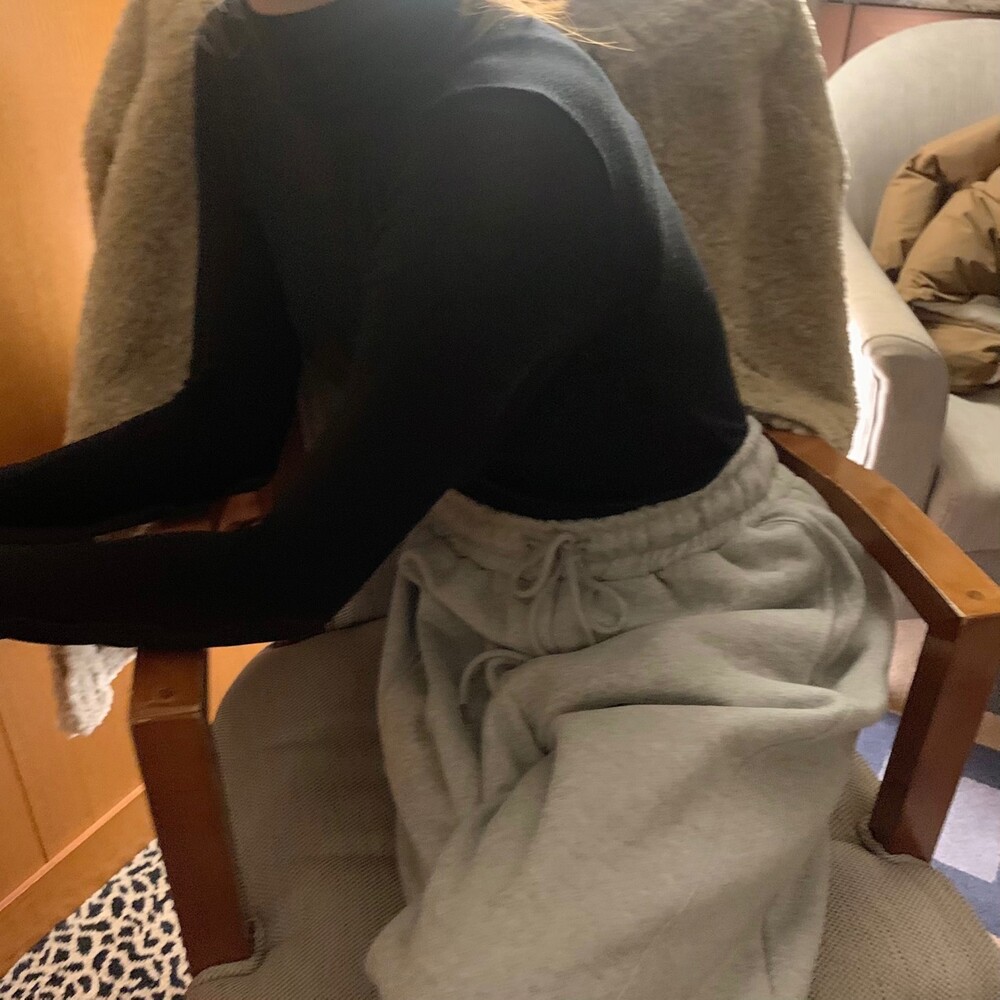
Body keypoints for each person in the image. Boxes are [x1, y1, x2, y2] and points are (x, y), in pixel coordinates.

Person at [0, 0, 891, 996]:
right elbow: (224, 424)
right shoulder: (239, 48)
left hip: (693, 617)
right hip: (466, 583)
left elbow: (291, 576)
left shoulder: (507, 131)